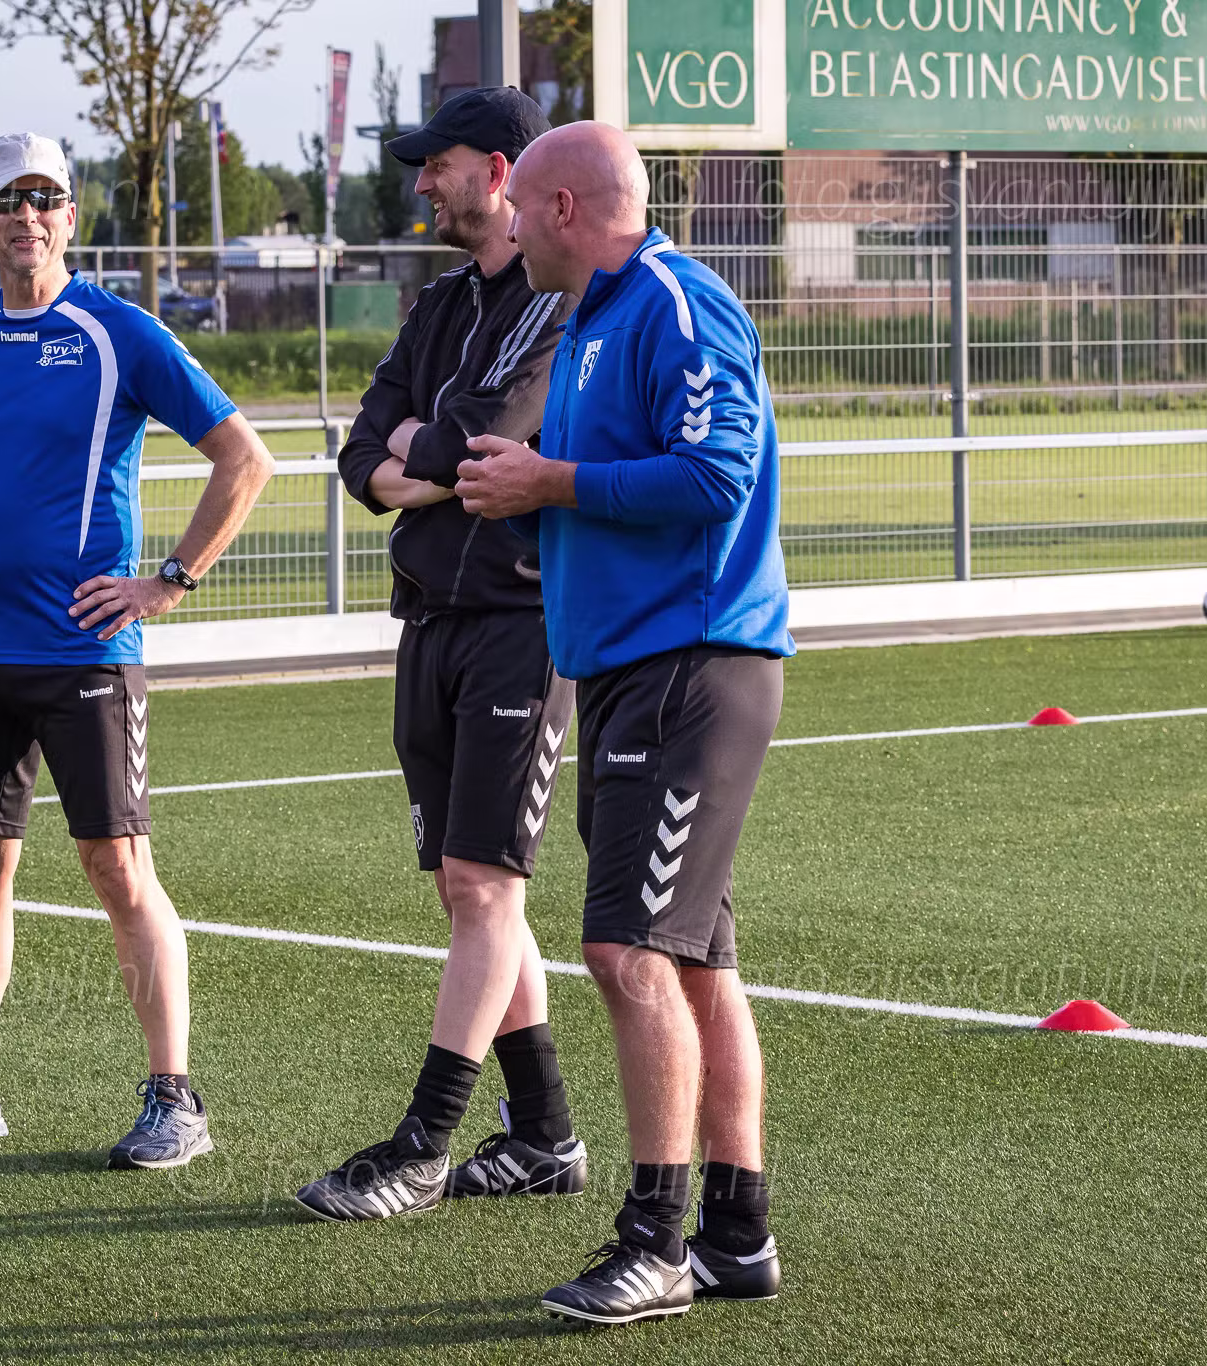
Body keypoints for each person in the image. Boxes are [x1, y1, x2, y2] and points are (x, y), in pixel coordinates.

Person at [0, 132, 274, 1168]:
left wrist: (167, 580)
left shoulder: (118, 332)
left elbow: (243, 458)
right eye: (7, 200)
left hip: (87, 651)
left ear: (71, 217)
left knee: (117, 865)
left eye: (45, 198)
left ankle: (176, 1098)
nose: (26, 216)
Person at [454, 121, 791, 1325]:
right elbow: (607, 492)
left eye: (517, 209)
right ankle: (735, 1236)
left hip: (689, 669)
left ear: (559, 207)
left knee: (625, 951)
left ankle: (653, 1240)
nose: (503, 229)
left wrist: (549, 480)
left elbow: (713, 475)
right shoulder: (591, 321)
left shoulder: (674, 303)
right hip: (625, 672)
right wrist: (520, 494)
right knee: (691, 960)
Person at [293, 87, 588, 1222]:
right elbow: (361, 452)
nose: (422, 182)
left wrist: (425, 452)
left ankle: (423, 1143)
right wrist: (429, 459)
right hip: (427, 616)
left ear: (501, 170)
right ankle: (545, 1136)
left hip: (521, 620)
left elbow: (484, 437)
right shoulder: (439, 304)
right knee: (465, 890)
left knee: (482, 885)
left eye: (438, 162)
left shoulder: (558, 299)